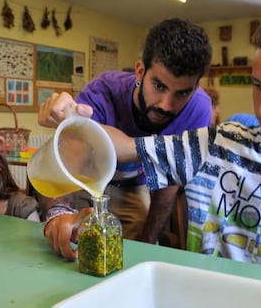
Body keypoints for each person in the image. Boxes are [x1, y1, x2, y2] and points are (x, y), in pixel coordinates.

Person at [41, 8, 261, 276]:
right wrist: (70, 120)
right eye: (257, 85)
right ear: (139, 71)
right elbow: (123, 145)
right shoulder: (219, 143)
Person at [39, 17, 213, 250]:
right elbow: (68, 161)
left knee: (133, 247)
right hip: (87, 176)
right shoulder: (102, 92)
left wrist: (147, 243)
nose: (166, 105)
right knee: (68, 237)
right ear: (140, 72)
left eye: (182, 93)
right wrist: (58, 213)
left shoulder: (198, 109)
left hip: (138, 184)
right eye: (159, 86)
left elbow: (169, 182)